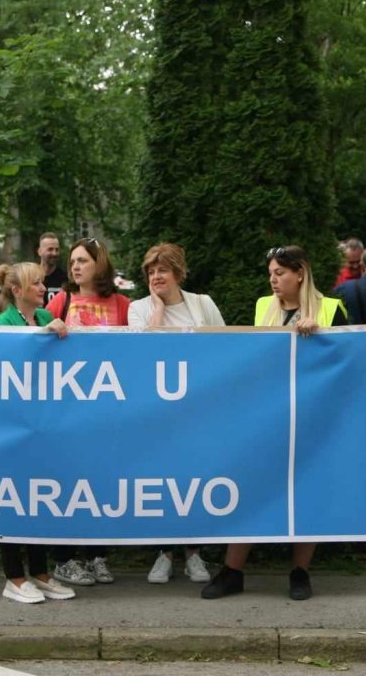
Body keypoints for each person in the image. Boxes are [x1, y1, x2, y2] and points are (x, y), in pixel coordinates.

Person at [203, 245, 347, 601]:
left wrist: (324, 339)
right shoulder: (262, 307)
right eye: (270, 273)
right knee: (250, 489)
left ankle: (300, 571)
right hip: (268, 416)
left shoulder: (331, 309)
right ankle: (233, 569)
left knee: (306, 491)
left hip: (314, 419)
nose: (273, 279)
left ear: (300, 273)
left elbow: (348, 360)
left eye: (280, 273)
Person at [127, 243, 223, 584]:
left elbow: (225, 349)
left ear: (178, 273)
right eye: (151, 271)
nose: (156, 276)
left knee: (195, 479)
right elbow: (143, 352)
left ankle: (195, 554)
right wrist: (156, 311)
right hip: (158, 413)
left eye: (162, 270)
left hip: (198, 410)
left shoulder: (202, 303)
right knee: (162, 481)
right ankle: (164, 552)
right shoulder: (137, 309)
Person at [45, 238, 130, 585]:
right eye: (72, 261)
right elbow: (29, 337)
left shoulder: (123, 304)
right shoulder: (60, 301)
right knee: (67, 482)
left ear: (100, 264)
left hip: (107, 411)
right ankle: (64, 558)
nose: (75, 266)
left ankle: (97, 555)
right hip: (67, 410)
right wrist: (46, 327)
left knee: (101, 484)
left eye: (83, 260)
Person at [0, 262, 73, 603]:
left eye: (43, 283)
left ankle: (39, 573)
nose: (43, 289)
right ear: (17, 291)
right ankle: (14, 577)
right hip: (10, 428)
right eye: (36, 284)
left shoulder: (43, 320)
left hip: (42, 427)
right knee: (10, 499)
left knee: (38, 499)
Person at [37, 233, 67, 304]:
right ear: (40, 251)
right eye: (50, 249)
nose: (54, 253)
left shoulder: (66, 279)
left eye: (57, 250)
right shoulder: (30, 277)